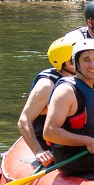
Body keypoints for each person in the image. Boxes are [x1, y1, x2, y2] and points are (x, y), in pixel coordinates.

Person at [43, 39, 94, 176]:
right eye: (86, 60)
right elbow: (49, 132)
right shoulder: (66, 91)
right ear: (77, 64)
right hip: (71, 158)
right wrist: (87, 141)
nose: (93, 65)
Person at [17, 37, 75, 166]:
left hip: (75, 137)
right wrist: (38, 151)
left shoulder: (82, 78)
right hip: (52, 144)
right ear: (66, 63)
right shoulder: (47, 85)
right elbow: (24, 120)